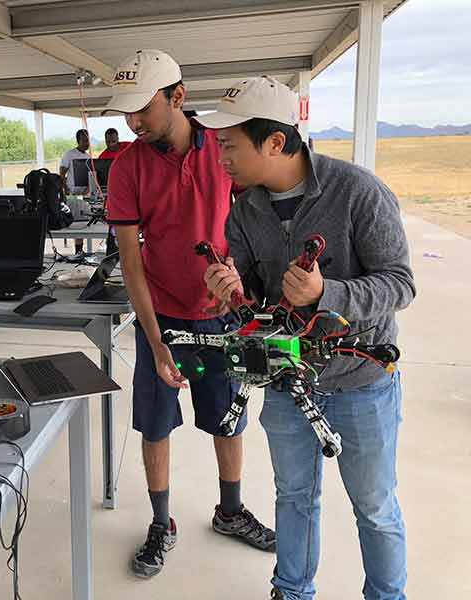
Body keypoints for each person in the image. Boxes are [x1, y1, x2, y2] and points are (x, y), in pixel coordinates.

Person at [199, 76, 415, 600]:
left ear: (275, 142)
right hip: (285, 381)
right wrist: (231, 288)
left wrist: (328, 293)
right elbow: (252, 288)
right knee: (293, 498)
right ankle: (291, 590)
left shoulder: (357, 191)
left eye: (228, 144)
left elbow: (401, 284)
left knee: (375, 507)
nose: (220, 156)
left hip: (361, 383)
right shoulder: (245, 209)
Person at [103, 49, 276, 580]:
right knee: (155, 425)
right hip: (163, 316)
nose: (132, 121)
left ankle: (229, 510)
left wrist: (243, 286)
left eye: (142, 108)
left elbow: (257, 224)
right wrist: (155, 345)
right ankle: (161, 522)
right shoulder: (127, 166)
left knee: (230, 418)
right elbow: (131, 264)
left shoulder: (225, 150)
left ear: (178, 97)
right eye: (125, 111)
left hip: (224, 316)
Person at [59, 129, 90, 255]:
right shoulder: (69, 154)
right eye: (84, 140)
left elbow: (91, 177)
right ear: (78, 141)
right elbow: (62, 173)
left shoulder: (88, 157)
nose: (87, 143)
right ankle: (77, 252)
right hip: (72, 194)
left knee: (84, 222)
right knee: (75, 223)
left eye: (88, 140)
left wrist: (88, 190)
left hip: (85, 194)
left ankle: (80, 251)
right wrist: (66, 189)